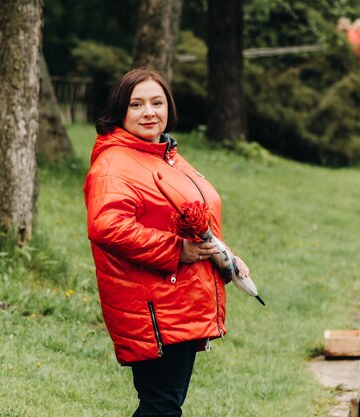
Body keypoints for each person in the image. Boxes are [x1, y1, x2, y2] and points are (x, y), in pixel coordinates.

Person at [84, 67, 249, 416]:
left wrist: (225, 257)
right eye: (137, 104)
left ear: (168, 108)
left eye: (157, 103)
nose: (149, 112)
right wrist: (176, 250)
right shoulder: (115, 164)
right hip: (153, 307)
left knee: (164, 405)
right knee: (161, 406)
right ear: (120, 112)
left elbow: (196, 217)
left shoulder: (164, 154)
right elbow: (106, 226)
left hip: (181, 301)